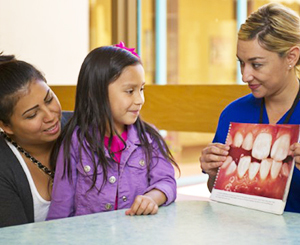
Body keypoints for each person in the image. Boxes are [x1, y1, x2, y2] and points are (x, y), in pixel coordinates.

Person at [47, 42, 179, 220]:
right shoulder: (74, 142)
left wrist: (151, 198)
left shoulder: (149, 138)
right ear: (96, 93)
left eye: (141, 89)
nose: (140, 99)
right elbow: (61, 206)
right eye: (130, 91)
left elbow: (167, 181)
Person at [200, 2, 300, 213]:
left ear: (291, 57)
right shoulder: (233, 113)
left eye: (256, 64)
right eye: (241, 63)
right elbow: (217, 192)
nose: (245, 76)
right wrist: (213, 174)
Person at [0, 54, 72, 227]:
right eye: (32, 115)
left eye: (49, 100)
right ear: (6, 126)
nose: (50, 116)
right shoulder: (4, 166)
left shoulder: (82, 128)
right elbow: (15, 239)